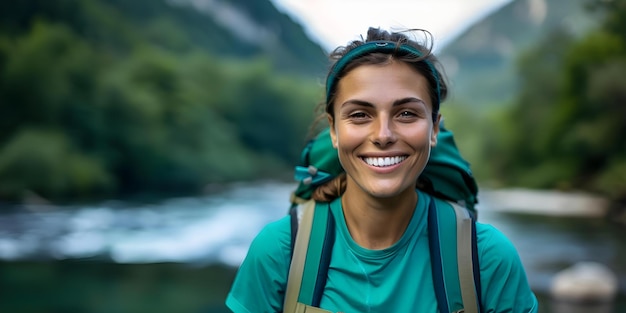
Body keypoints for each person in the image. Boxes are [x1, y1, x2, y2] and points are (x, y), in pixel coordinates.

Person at [225, 27, 538, 313]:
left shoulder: (486, 257)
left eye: (406, 113)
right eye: (360, 114)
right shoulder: (280, 252)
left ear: (434, 130)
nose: (383, 135)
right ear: (334, 130)